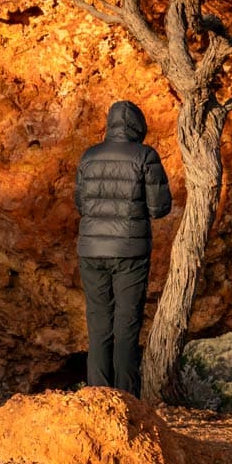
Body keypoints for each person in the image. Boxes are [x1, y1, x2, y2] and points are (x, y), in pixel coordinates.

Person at [75, 100, 171, 397]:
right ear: (138, 126)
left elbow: (81, 204)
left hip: (91, 250)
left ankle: (97, 398)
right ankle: (126, 399)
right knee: (126, 326)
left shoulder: (89, 157)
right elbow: (159, 208)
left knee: (98, 324)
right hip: (130, 251)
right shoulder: (145, 156)